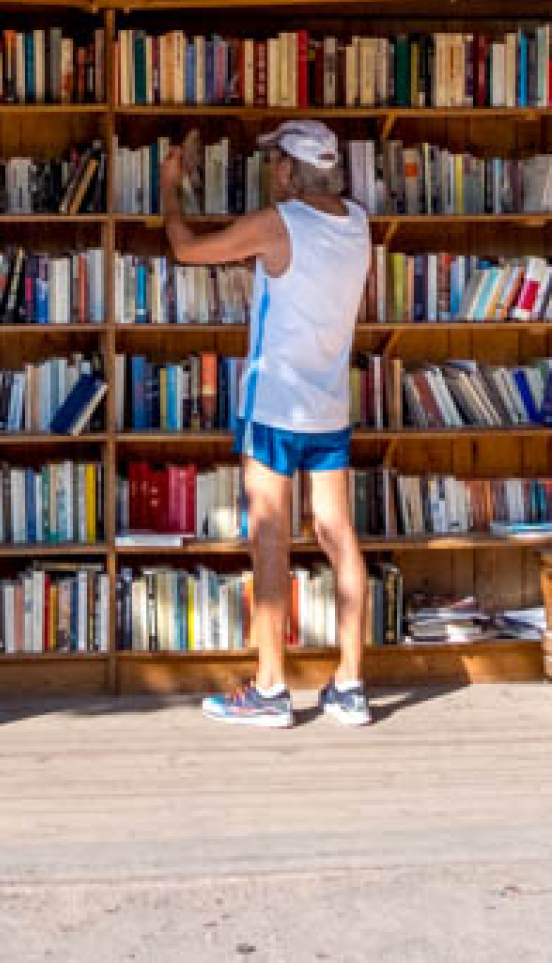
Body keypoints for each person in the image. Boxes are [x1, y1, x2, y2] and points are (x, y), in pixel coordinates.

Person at [158, 119, 373, 729]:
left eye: (274, 164)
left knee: (270, 541)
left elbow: (186, 249)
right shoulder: (357, 222)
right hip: (330, 406)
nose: (269, 174)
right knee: (339, 535)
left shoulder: (280, 225)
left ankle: (272, 688)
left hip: (275, 407)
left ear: (289, 171)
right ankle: (351, 684)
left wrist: (170, 188)